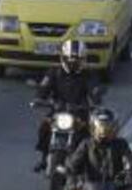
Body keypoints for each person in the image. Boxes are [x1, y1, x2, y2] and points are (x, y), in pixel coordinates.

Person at [33, 39, 104, 172]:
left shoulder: (88, 75)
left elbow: (94, 89)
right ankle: (44, 158)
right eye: (70, 61)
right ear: (63, 58)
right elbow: (43, 88)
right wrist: (40, 97)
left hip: (80, 112)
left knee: (92, 135)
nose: (73, 64)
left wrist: (96, 96)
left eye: (76, 61)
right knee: (44, 127)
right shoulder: (54, 72)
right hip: (57, 111)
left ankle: (91, 164)